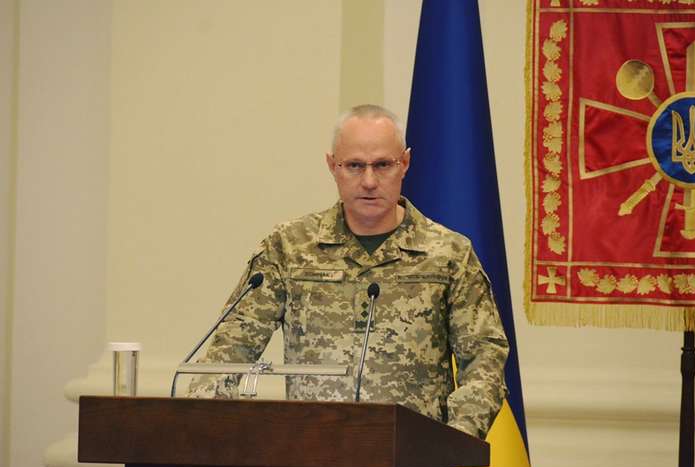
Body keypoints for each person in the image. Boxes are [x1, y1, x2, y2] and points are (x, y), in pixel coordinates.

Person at [188, 104, 508, 440]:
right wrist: (198, 428)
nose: (369, 181)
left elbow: (485, 357)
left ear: (405, 164)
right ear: (332, 166)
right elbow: (230, 349)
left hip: (417, 457)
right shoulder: (290, 247)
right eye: (354, 165)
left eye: (382, 165)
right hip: (312, 452)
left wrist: (457, 438)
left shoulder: (448, 253)